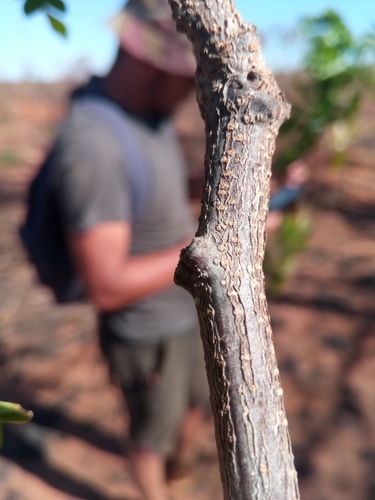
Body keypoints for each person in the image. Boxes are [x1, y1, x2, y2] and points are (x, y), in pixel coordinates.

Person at [44, 1, 211, 499]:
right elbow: (107, 284)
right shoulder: (92, 144)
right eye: (188, 75)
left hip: (183, 314)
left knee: (193, 408)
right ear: (149, 59)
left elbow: (146, 195)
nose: (191, 89)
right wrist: (215, 250)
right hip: (145, 334)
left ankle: (178, 472)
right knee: (148, 437)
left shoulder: (146, 116)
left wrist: (203, 186)